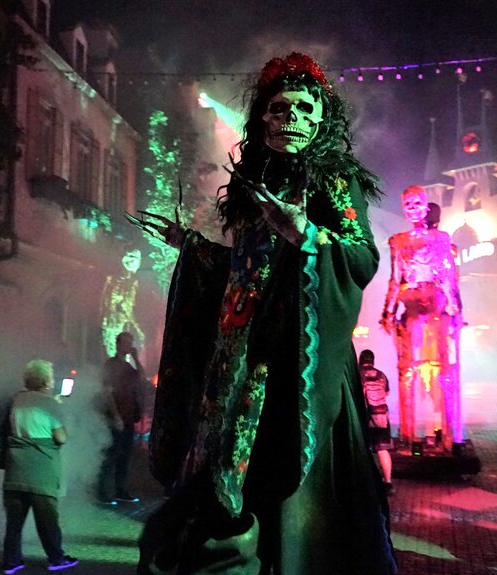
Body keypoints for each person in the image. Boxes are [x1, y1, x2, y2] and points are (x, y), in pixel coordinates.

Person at [136, 52, 396, 574]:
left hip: (300, 359)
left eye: (305, 108)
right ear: (261, 119)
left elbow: (362, 255)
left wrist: (307, 236)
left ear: (322, 118)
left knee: (298, 498)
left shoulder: (331, 179)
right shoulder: (254, 184)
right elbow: (247, 269)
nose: (293, 119)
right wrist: (194, 249)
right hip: (243, 363)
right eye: (280, 108)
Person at [381, 186, 461, 448]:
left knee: (445, 374)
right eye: (407, 203)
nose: (412, 207)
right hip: (412, 312)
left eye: (417, 202)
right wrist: (388, 312)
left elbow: (448, 278)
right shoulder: (398, 241)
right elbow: (396, 279)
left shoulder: (441, 239)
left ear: (426, 207)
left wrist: (456, 311)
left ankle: (448, 438)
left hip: (437, 312)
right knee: (406, 375)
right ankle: (407, 435)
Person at [1, 360, 78, 574]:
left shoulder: (15, 400)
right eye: (51, 377)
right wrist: (60, 410)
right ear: (45, 381)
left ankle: (11, 561)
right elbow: (61, 438)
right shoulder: (51, 405)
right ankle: (56, 558)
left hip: (15, 469)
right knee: (47, 521)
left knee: (14, 523)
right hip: (42, 471)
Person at [97, 331, 144, 504]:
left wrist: (136, 359)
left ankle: (120, 490)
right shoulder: (110, 365)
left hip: (129, 417)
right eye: (126, 343)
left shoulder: (128, 367)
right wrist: (116, 416)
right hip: (115, 417)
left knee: (124, 455)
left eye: (130, 343)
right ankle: (102, 492)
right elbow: (107, 392)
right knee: (112, 454)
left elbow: (141, 377)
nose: (129, 346)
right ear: (118, 344)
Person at [359, 349, 395, 495]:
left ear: (361, 360)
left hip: (366, 417)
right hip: (381, 417)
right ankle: (388, 483)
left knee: (362, 450)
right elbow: (387, 393)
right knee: (382, 450)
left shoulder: (358, 373)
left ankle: (365, 483)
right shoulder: (381, 375)